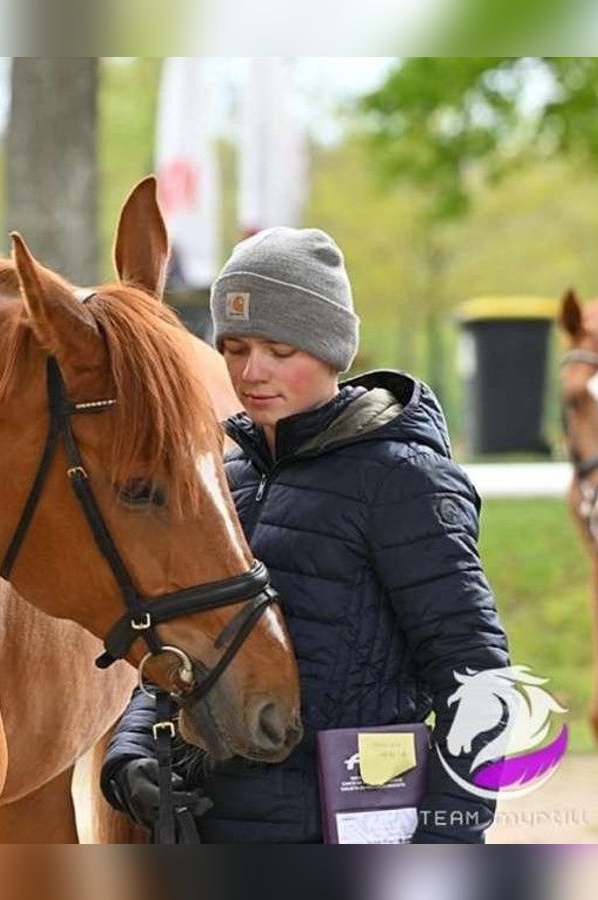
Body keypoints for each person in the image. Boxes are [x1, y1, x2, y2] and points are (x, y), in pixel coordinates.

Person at [100, 227, 511, 843]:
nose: (251, 372)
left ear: (328, 348)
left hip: (356, 830)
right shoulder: (220, 477)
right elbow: (176, 651)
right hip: (212, 832)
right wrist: (130, 756)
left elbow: (478, 678)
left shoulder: (404, 480)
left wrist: (445, 841)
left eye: (278, 350)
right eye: (234, 348)